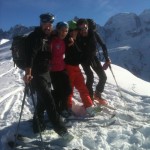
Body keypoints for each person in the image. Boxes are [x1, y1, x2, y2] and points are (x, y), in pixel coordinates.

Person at [23, 13, 73, 140]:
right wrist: (28, 73)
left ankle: (37, 125)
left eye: (50, 24)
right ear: (41, 23)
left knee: (42, 102)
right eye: (45, 23)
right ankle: (61, 130)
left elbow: (62, 35)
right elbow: (29, 56)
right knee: (49, 101)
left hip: (46, 73)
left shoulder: (49, 35)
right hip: (36, 75)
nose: (48, 26)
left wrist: (70, 39)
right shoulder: (34, 37)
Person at [65, 20, 101, 116]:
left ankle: (89, 106)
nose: (74, 32)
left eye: (76, 30)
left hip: (76, 68)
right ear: (68, 31)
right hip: (69, 68)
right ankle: (67, 108)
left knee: (83, 88)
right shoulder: (68, 40)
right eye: (71, 30)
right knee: (70, 90)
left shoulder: (77, 40)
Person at [76, 18, 111, 105]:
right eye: (80, 29)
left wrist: (107, 59)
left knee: (103, 77)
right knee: (90, 76)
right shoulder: (77, 37)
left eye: (85, 28)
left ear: (88, 26)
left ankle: (97, 94)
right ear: (78, 29)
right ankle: (89, 98)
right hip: (83, 59)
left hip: (93, 58)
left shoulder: (94, 34)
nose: (83, 30)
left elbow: (103, 45)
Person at [49, 21, 72, 118]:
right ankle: (60, 110)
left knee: (68, 89)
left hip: (62, 69)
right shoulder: (52, 40)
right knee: (59, 91)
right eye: (62, 30)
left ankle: (62, 108)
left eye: (66, 31)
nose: (64, 33)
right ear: (57, 30)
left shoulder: (63, 41)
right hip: (53, 71)